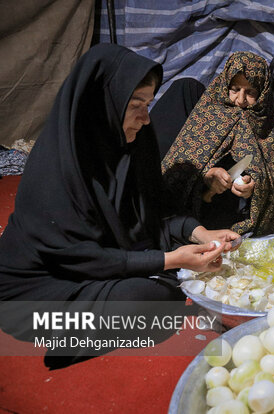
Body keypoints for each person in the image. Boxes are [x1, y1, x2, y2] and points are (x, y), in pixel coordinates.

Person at [0, 43, 239, 368]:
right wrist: (168, 259)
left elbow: (151, 213)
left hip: (103, 264)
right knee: (148, 300)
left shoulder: (133, 145)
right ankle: (64, 332)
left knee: (167, 291)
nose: (145, 118)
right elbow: (75, 257)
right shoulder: (58, 167)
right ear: (102, 104)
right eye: (135, 105)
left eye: (149, 104)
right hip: (46, 283)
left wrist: (198, 232)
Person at [161, 51, 274, 235]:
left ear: (262, 94)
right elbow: (178, 170)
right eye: (235, 89)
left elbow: (272, 181)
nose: (240, 100)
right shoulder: (208, 115)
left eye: (250, 92)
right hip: (193, 225)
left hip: (239, 225)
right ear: (225, 86)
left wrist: (252, 188)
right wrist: (206, 176)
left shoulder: (265, 126)